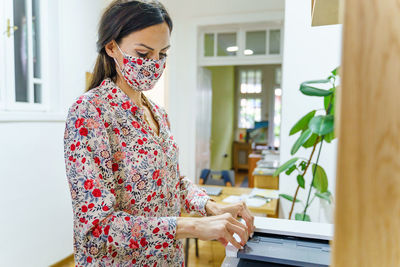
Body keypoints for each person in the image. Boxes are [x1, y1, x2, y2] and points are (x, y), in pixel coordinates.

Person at [63, 0, 255, 266]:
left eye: (162, 54)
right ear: (111, 48)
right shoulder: (89, 113)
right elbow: (97, 227)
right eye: (143, 54)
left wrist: (209, 205)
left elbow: (173, 182)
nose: (154, 64)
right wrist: (194, 227)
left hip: (167, 259)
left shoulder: (157, 113)